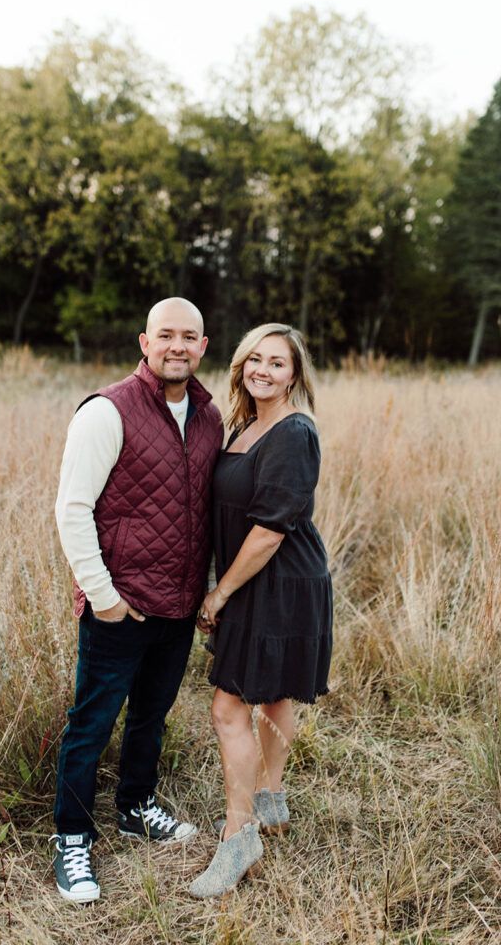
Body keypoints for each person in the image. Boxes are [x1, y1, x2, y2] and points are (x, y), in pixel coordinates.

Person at [51, 297, 223, 903]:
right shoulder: (106, 411)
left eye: (190, 337)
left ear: (204, 347)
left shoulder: (208, 416)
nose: (177, 346)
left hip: (177, 607)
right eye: (165, 335)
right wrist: (103, 598)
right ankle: (72, 837)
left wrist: (204, 593)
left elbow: (202, 512)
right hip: (118, 606)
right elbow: (72, 511)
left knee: (152, 716)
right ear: (144, 343)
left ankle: (136, 806)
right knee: (92, 724)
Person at [189, 323, 332, 899]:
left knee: (229, 708)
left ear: (295, 375)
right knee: (272, 694)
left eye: (278, 363)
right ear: (241, 365)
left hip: (279, 579)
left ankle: (238, 834)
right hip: (262, 577)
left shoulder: (294, 431)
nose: (264, 370)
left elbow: (271, 530)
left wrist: (219, 593)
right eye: (255, 359)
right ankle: (270, 796)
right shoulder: (246, 423)